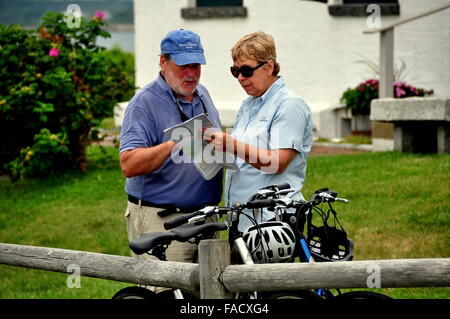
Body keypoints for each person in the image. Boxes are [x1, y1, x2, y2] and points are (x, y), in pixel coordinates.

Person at [119, 29, 223, 269]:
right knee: (167, 293)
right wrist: (174, 143)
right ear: (163, 62)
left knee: (209, 292)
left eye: (196, 65)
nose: (191, 73)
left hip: (206, 216)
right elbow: (129, 164)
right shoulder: (143, 103)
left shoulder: (202, 93)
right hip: (163, 220)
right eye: (183, 65)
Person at [203, 31, 313, 232]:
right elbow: (245, 157)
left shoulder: (289, 105)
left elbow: (277, 163)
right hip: (242, 218)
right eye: (235, 71)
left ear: (269, 66)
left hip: (272, 221)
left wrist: (231, 144)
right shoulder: (248, 105)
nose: (241, 78)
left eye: (246, 70)